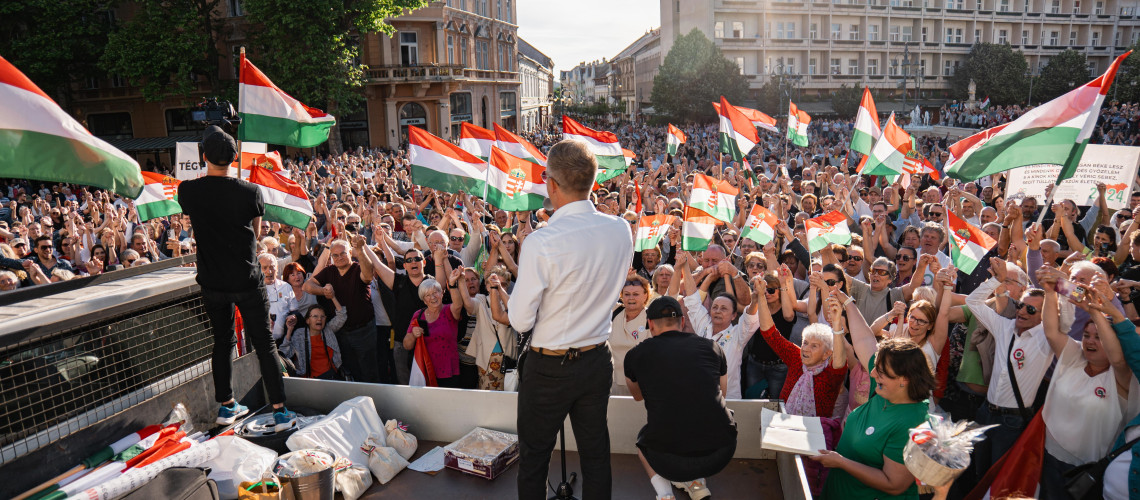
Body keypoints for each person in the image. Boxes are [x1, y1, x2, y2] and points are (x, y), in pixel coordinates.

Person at [509, 139, 634, 500]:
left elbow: (519, 320)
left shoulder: (541, 242)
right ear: (592, 182)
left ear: (550, 183)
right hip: (596, 359)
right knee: (596, 454)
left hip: (549, 368)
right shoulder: (620, 229)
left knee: (534, 458)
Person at [178, 125, 295, 429]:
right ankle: (280, 410)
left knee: (222, 342)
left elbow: (190, 219)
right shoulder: (251, 191)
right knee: (264, 343)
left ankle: (227, 406)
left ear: (204, 156)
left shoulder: (187, 190)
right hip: (246, 278)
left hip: (212, 282)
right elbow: (255, 235)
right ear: (234, 158)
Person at [812, 289, 933, 500]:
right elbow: (865, 341)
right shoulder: (885, 390)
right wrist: (848, 302)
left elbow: (894, 484)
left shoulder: (913, 421)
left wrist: (840, 462)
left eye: (881, 372)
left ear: (905, 379)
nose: (873, 374)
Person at [625, 296, 737, 500]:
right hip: (721, 451)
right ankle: (697, 484)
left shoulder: (635, 355)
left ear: (650, 324)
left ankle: (665, 495)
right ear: (683, 322)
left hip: (666, 460)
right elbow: (722, 392)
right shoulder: (713, 348)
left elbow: (638, 396)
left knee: (644, 440)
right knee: (703, 418)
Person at [403, 270, 466, 387]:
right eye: (428, 295)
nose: (433, 297)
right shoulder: (418, 315)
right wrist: (413, 335)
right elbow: (406, 345)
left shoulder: (449, 310)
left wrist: (452, 285)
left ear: (442, 293)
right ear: (423, 299)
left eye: (435, 292)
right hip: (425, 371)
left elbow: (458, 305)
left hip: (449, 372)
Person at [281, 298, 347, 379]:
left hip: (330, 377)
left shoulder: (328, 330)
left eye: (322, 316)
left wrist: (332, 297)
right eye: (315, 316)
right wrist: (289, 331)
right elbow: (285, 354)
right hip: (309, 381)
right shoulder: (300, 334)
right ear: (308, 320)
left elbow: (342, 316)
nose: (319, 319)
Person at [610, 274, 651, 396]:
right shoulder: (614, 312)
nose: (631, 298)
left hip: (641, 384)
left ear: (645, 296)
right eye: (627, 294)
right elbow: (605, 294)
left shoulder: (652, 317)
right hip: (613, 382)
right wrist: (621, 277)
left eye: (636, 294)